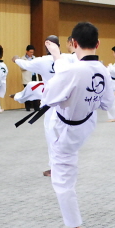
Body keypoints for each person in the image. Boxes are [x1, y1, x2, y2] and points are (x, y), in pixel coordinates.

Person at [40, 22, 114, 228]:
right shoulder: (103, 70)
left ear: (73, 43)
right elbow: (107, 104)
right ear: (98, 44)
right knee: (66, 168)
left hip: (66, 130)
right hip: (86, 124)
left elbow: (48, 98)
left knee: (63, 181)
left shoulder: (72, 71)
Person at [13, 35, 73, 177]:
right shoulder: (69, 58)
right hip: (67, 102)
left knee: (51, 134)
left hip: (50, 104)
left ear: (47, 46)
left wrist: (15, 59)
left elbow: (25, 65)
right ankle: (65, 164)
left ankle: (55, 167)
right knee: (65, 133)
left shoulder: (42, 61)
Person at [20, 45, 39, 111]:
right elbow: (22, 67)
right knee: (27, 92)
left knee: (36, 92)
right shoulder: (22, 59)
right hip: (27, 78)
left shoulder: (35, 58)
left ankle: (36, 107)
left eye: (32, 52)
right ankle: (27, 107)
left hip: (34, 77)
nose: (31, 53)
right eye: (30, 52)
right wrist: (29, 65)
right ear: (27, 51)